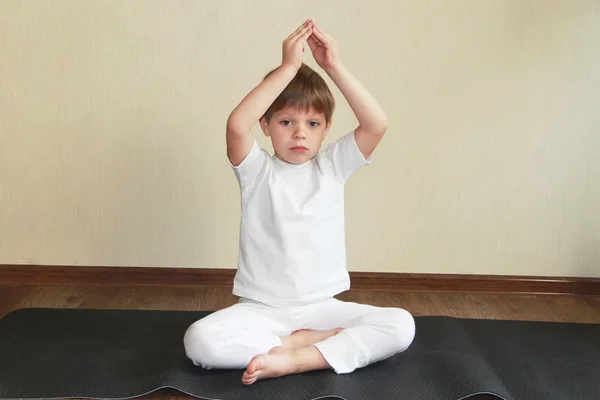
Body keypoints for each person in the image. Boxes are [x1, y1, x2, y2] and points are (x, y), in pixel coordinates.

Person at [183, 19, 415, 385]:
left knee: (401, 325)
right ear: (266, 124)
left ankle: (296, 358)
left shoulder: (333, 167)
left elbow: (376, 123)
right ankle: (306, 347)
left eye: (312, 124)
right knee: (198, 341)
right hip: (263, 311)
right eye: (287, 121)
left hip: (322, 308)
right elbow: (235, 125)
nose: (299, 134)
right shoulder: (256, 170)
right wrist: (289, 67)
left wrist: (333, 66)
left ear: (326, 127)